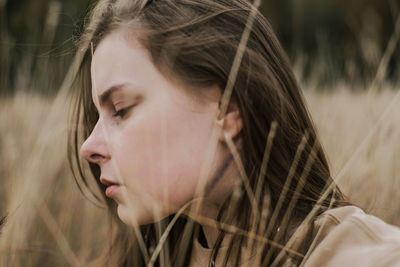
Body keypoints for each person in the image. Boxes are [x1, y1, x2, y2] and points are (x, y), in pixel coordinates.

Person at [68, 0, 400, 266]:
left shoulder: (358, 255)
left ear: (228, 109)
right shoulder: (154, 254)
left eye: (121, 109)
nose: (89, 146)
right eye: (97, 116)